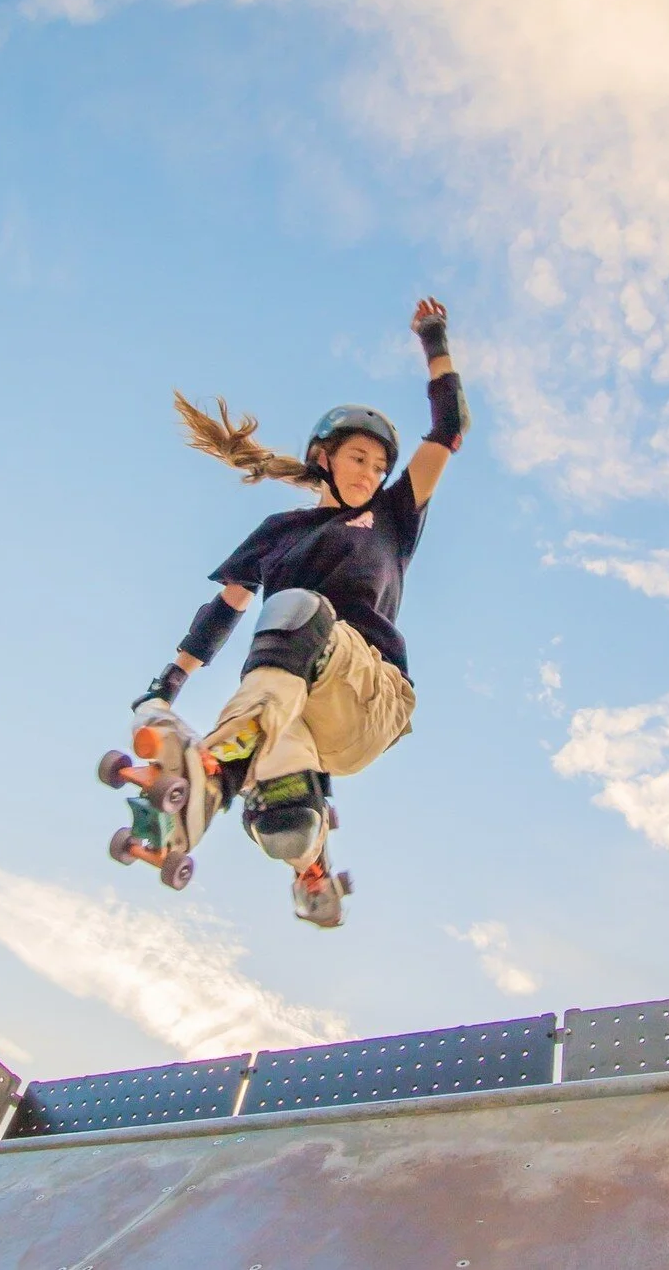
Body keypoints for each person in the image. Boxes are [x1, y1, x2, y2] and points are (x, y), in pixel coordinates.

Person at [131, 297, 470, 927]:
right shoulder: (278, 530)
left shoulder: (396, 517)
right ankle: (309, 862)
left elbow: (449, 427)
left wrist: (433, 337)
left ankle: (217, 773)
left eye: (379, 465)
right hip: (299, 711)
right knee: (284, 807)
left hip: (371, 697)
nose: (371, 474)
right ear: (325, 457)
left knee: (296, 611)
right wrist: (166, 686)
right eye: (358, 459)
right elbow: (223, 610)